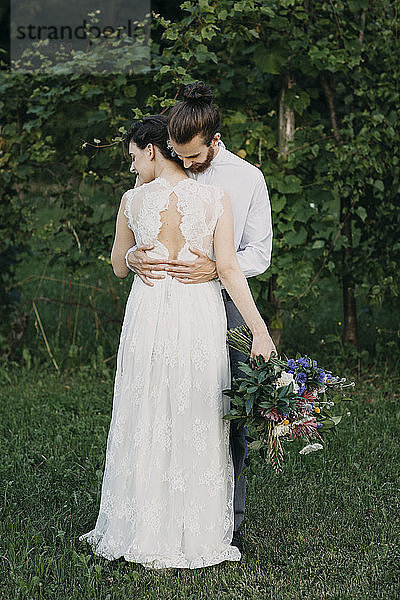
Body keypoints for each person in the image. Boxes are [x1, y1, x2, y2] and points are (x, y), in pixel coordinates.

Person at [78, 114, 276, 570]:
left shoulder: (132, 201)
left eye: (132, 157)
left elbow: (116, 265)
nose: (131, 168)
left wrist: (129, 254)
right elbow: (228, 270)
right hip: (198, 315)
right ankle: (194, 530)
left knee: (146, 410)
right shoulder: (214, 199)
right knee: (196, 412)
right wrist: (259, 329)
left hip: (148, 313)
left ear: (152, 151)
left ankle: (141, 524)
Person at [125, 82, 273, 551]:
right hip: (164, 303)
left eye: (193, 156)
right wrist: (131, 257)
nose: (187, 164)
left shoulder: (246, 179)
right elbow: (133, 230)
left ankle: (227, 518)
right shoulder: (158, 174)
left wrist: (216, 267)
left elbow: (257, 254)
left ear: (214, 139)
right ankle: (162, 510)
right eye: (179, 154)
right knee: (161, 406)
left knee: (220, 410)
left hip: (222, 301)